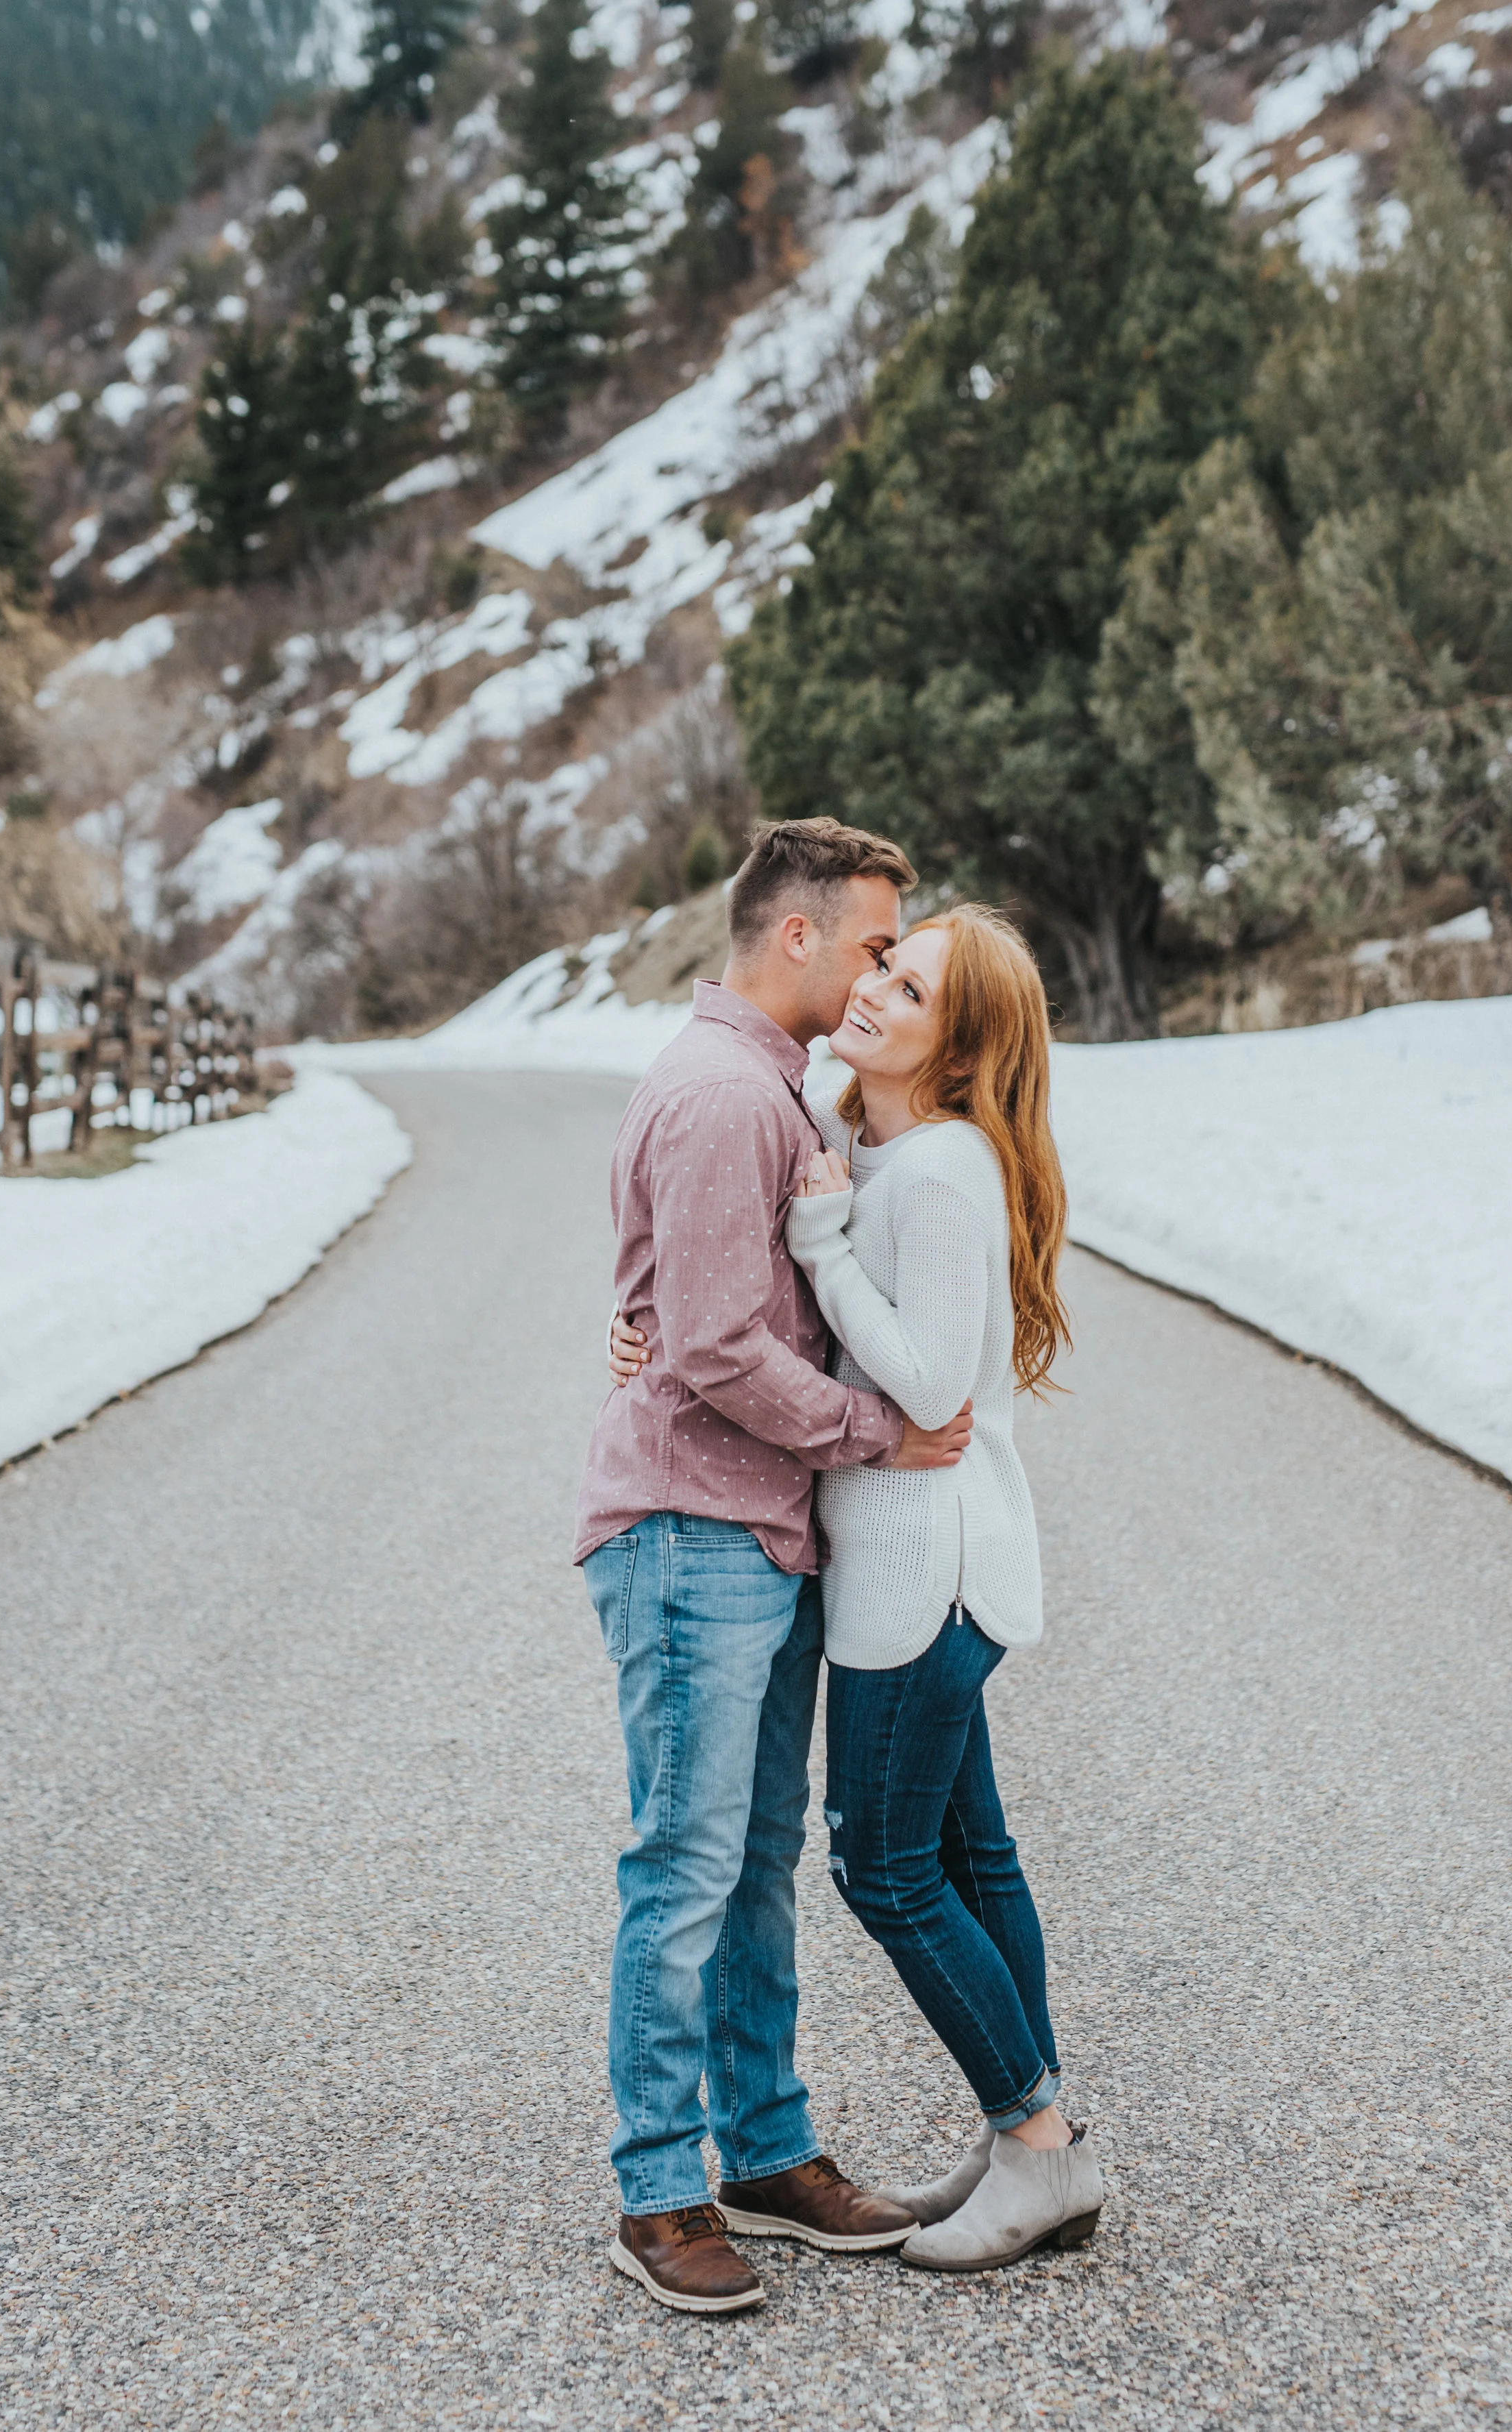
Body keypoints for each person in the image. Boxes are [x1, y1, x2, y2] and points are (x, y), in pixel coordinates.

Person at [615, 903, 1103, 2274]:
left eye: (914, 982)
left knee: (882, 1869)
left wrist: (826, 1247)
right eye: (883, 961)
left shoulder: (936, 1169)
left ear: (961, 1046)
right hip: (928, 1565)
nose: (877, 986)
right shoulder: (881, 1150)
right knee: (969, 1856)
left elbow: (931, 1386)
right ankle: (1037, 2140)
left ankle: (1038, 2140)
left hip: (920, 1571)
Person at [575, 817, 976, 2318]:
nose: (884, 968)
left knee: (751, 1861)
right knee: (681, 1862)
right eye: (876, 940)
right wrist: (872, 1429)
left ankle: (765, 2149)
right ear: (796, 934)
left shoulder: (772, 1091)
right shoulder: (717, 1094)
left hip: (755, 1526)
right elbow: (708, 1340)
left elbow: (689, 1303)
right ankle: (657, 2186)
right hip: (687, 1527)